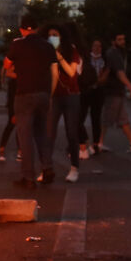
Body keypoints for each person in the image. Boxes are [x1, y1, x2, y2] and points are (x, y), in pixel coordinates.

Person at [5, 14, 56, 189]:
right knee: (41, 133)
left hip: (24, 94)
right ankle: (47, 167)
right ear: (36, 28)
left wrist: (19, 68)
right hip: (43, 94)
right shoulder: (48, 46)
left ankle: (28, 177)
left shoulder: (18, 44)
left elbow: (7, 64)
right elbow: (53, 69)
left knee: (25, 137)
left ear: (22, 29)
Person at [96, 33, 131, 153]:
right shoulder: (113, 54)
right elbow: (120, 73)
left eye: (123, 39)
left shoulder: (117, 54)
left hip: (117, 92)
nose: (122, 42)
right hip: (113, 91)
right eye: (119, 39)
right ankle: (98, 142)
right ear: (113, 41)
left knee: (123, 119)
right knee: (107, 119)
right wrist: (130, 86)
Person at [45, 24, 84, 183]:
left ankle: (74, 168)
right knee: (49, 134)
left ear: (62, 36)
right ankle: (46, 168)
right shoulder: (48, 51)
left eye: (55, 34)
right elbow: (51, 74)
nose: (52, 37)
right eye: (50, 35)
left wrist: (59, 56)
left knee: (71, 133)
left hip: (71, 95)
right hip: (55, 97)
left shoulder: (71, 51)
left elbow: (71, 72)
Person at [78, 39, 105, 160]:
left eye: (99, 46)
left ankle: (96, 143)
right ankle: (82, 141)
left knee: (96, 117)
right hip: (86, 90)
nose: (97, 48)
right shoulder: (86, 59)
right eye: (95, 46)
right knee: (80, 117)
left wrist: (99, 82)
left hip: (98, 91)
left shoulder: (104, 61)